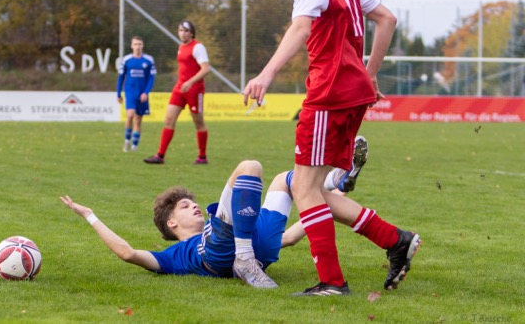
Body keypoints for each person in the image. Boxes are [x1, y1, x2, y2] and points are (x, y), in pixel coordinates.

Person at [242, 0, 420, 296]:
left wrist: (265, 74)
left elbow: (301, 28)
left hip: (329, 93)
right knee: (313, 188)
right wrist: (369, 73)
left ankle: (332, 282)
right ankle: (395, 240)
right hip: (353, 94)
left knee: (304, 189)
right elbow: (387, 19)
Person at [60, 138, 418, 292]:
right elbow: (127, 253)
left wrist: (329, 200)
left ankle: (336, 181)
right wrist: (90, 216)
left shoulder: (226, 221)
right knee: (250, 166)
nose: (193, 205)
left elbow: (291, 236)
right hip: (219, 252)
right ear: (171, 224)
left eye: (190, 202)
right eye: (183, 206)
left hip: (257, 243)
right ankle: (246, 256)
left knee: (292, 182)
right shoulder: (173, 256)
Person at [143, 20, 210, 165]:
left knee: (198, 123)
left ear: (192, 33)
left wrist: (190, 82)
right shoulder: (181, 47)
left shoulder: (198, 47)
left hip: (194, 90)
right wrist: (183, 83)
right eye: (180, 30)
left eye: (186, 31)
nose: (183, 33)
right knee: (169, 120)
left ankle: (202, 157)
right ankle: (160, 156)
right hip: (180, 88)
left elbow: (205, 69)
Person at [116, 36, 156, 153]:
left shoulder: (149, 60)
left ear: (142, 46)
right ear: (131, 46)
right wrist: (118, 93)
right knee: (130, 115)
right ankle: (127, 140)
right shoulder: (126, 60)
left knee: (138, 120)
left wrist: (146, 93)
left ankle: (134, 146)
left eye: (139, 44)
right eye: (135, 44)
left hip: (142, 93)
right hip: (130, 92)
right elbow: (121, 77)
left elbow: (151, 79)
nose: (137, 46)